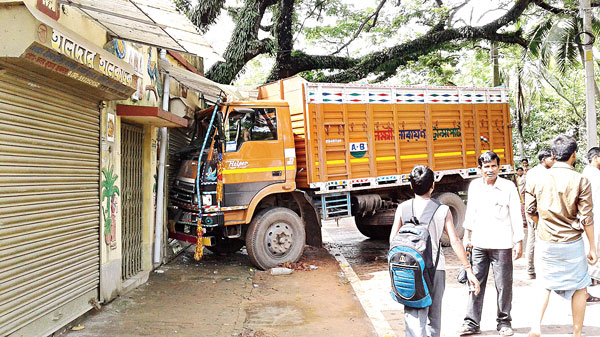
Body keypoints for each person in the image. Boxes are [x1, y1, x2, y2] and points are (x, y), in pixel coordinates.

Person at [389, 165, 480, 337]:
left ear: (411, 186)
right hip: (436, 269)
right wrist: (468, 269)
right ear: (433, 186)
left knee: (413, 317)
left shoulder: (403, 208)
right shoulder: (442, 209)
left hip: (409, 269)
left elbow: (392, 240)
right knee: (434, 317)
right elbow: (454, 240)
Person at [524, 135, 598, 337]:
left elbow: (529, 211)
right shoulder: (580, 180)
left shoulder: (536, 178)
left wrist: (544, 225)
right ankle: (576, 333)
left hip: (545, 241)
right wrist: (592, 247)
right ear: (573, 155)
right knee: (580, 286)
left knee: (544, 283)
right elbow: (587, 218)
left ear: (553, 155)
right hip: (572, 242)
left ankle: (536, 327)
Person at [459, 151, 524, 337]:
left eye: (493, 166)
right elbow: (470, 213)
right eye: (486, 167)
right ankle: (471, 323)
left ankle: (504, 322)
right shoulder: (474, 186)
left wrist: (518, 240)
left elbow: (516, 215)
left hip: (502, 244)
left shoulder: (508, 186)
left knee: (504, 285)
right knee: (474, 283)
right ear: (480, 169)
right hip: (479, 244)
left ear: (499, 167)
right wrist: (467, 236)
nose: (490, 170)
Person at [524, 148, 555, 280]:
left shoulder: (532, 172)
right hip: (538, 211)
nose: (554, 161)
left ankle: (530, 270)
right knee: (540, 240)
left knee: (532, 240)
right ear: (544, 160)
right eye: (552, 159)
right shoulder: (545, 174)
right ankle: (541, 269)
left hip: (531, 210)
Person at [582, 147, 600, 290]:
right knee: (593, 245)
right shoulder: (592, 174)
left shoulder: (589, 173)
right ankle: (593, 277)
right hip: (593, 215)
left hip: (592, 215)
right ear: (595, 158)